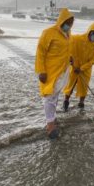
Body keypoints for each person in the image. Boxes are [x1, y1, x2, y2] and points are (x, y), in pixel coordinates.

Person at [35, 8, 74, 139]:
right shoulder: (48, 33)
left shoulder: (68, 34)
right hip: (50, 71)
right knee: (49, 97)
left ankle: (52, 118)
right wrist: (41, 71)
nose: (69, 25)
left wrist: (70, 58)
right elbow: (40, 52)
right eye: (67, 22)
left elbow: (67, 49)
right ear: (61, 21)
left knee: (55, 96)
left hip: (62, 71)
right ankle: (50, 126)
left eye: (71, 22)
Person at [63, 22, 94, 111]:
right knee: (70, 85)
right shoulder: (77, 39)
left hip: (85, 70)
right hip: (74, 67)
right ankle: (66, 101)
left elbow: (93, 61)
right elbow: (68, 43)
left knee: (84, 87)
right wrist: (70, 58)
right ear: (90, 32)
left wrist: (81, 68)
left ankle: (81, 103)